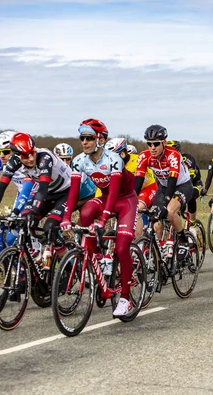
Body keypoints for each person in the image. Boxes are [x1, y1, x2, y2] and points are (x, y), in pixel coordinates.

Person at [60, 120, 138, 316]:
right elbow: (73, 192)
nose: (84, 142)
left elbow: (113, 193)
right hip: (104, 198)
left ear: (100, 139)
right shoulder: (79, 161)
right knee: (85, 212)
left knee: (121, 247)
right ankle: (98, 256)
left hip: (125, 200)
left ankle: (126, 298)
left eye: (89, 138)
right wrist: (66, 217)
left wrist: (103, 220)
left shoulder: (113, 159)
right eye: (82, 138)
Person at [0, 132, 72, 270]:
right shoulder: (13, 162)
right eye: (25, 155)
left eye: (32, 152)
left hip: (66, 192)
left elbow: (42, 189)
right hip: (49, 193)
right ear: (17, 155)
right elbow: (1, 187)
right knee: (23, 221)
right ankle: (34, 268)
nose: (31, 157)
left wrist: (34, 211)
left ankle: (69, 266)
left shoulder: (44, 157)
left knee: (49, 227)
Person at [136, 125, 194, 263]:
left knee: (169, 211)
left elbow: (173, 179)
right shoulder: (144, 156)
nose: (152, 147)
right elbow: (137, 182)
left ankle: (183, 240)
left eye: (156, 144)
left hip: (182, 186)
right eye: (149, 144)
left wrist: (167, 201)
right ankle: (160, 250)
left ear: (164, 143)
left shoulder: (173, 155)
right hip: (162, 187)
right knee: (155, 220)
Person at [105, 137, 158, 237]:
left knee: (135, 210)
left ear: (123, 153)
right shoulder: (113, 166)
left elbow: (138, 183)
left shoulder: (138, 160)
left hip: (147, 188)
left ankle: (138, 245)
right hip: (130, 190)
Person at [167, 140, 203, 229]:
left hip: (194, 183)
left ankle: (193, 224)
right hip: (177, 186)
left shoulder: (187, 159)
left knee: (190, 197)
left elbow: (189, 180)